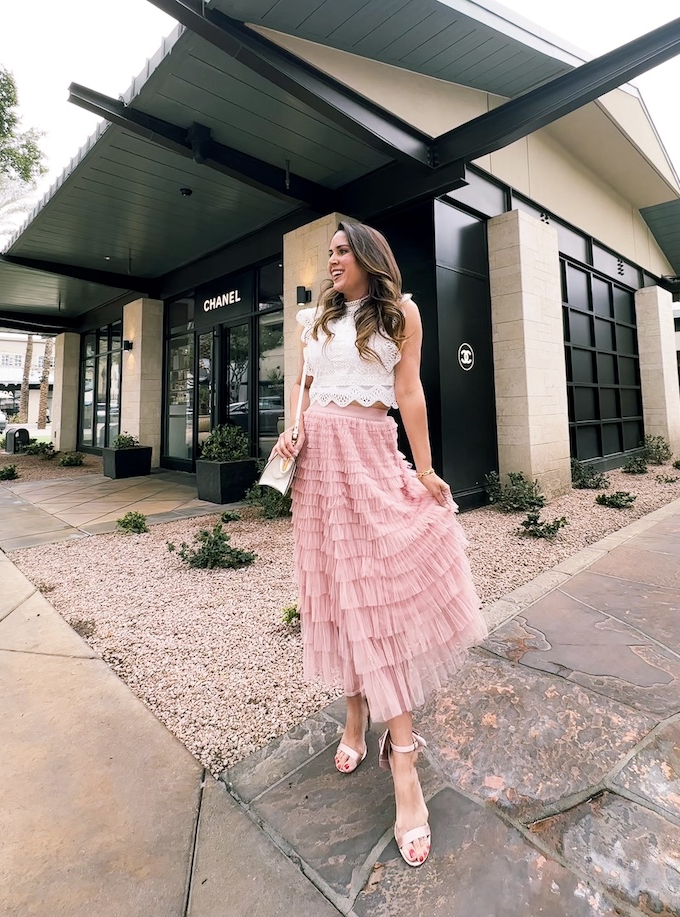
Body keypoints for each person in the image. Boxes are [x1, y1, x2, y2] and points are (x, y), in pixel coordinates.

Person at [272, 221, 487, 868]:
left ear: (368, 257)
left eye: (341, 251)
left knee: (381, 601)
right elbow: (304, 387)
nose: (331, 260)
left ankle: (404, 764)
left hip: (368, 459)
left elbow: (408, 391)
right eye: (328, 252)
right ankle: (354, 715)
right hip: (316, 468)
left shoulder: (401, 315)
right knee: (336, 595)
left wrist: (423, 470)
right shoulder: (313, 316)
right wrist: (289, 432)